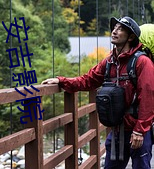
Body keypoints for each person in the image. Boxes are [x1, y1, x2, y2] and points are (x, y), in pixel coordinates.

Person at [41, 16, 154, 169]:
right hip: (117, 130)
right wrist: (61, 81)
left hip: (137, 130)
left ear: (131, 37)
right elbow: (88, 80)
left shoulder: (142, 62)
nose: (114, 31)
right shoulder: (109, 62)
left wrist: (140, 131)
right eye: (114, 28)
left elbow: (148, 97)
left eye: (120, 29)